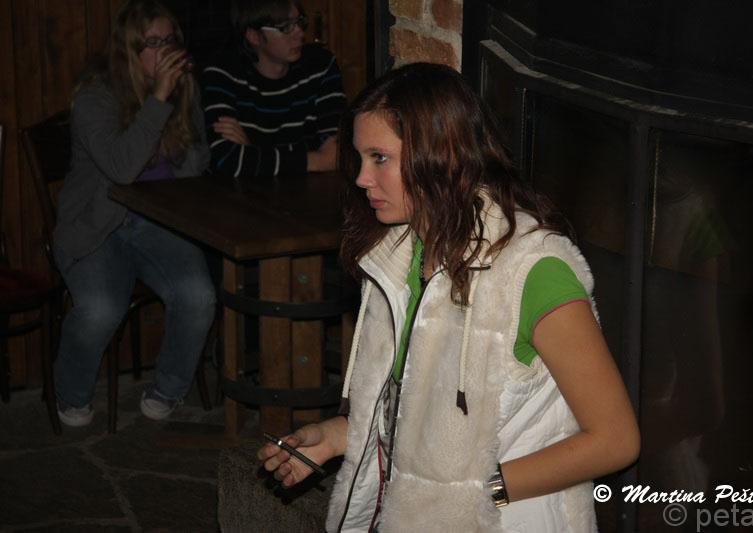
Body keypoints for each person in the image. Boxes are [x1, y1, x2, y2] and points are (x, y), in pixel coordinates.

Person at [258, 63, 640, 531]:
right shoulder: (397, 256)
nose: (361, 178)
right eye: (359, 158)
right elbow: (416, 411)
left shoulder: (535, 271)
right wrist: (336, 437)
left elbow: (616, 440)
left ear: (441, 156)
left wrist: (481, 493)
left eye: (380, 158)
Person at [53, 0, 216, 427]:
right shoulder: (95, 98)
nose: (165, 51)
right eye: (153, 43)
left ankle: (168, 389)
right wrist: (158, 99)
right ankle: (70, 392)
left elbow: (194, 166)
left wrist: (184, 112)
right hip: (97, 225)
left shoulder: (183, 89)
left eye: (171, 40)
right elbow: (122, 169)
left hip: (159, 222)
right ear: (128, 49)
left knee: (198, 296)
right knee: (100, 309)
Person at [201, 0, 347, 178]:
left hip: (305, 190)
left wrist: (253, 150)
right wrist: (317, 160)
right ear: (254, 36)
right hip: (236, 192)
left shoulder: (320, 65)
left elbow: (337, 153)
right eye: (285, 27)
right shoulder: (223, 73)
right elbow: (227, 160)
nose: (300, 33)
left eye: (299, 22)